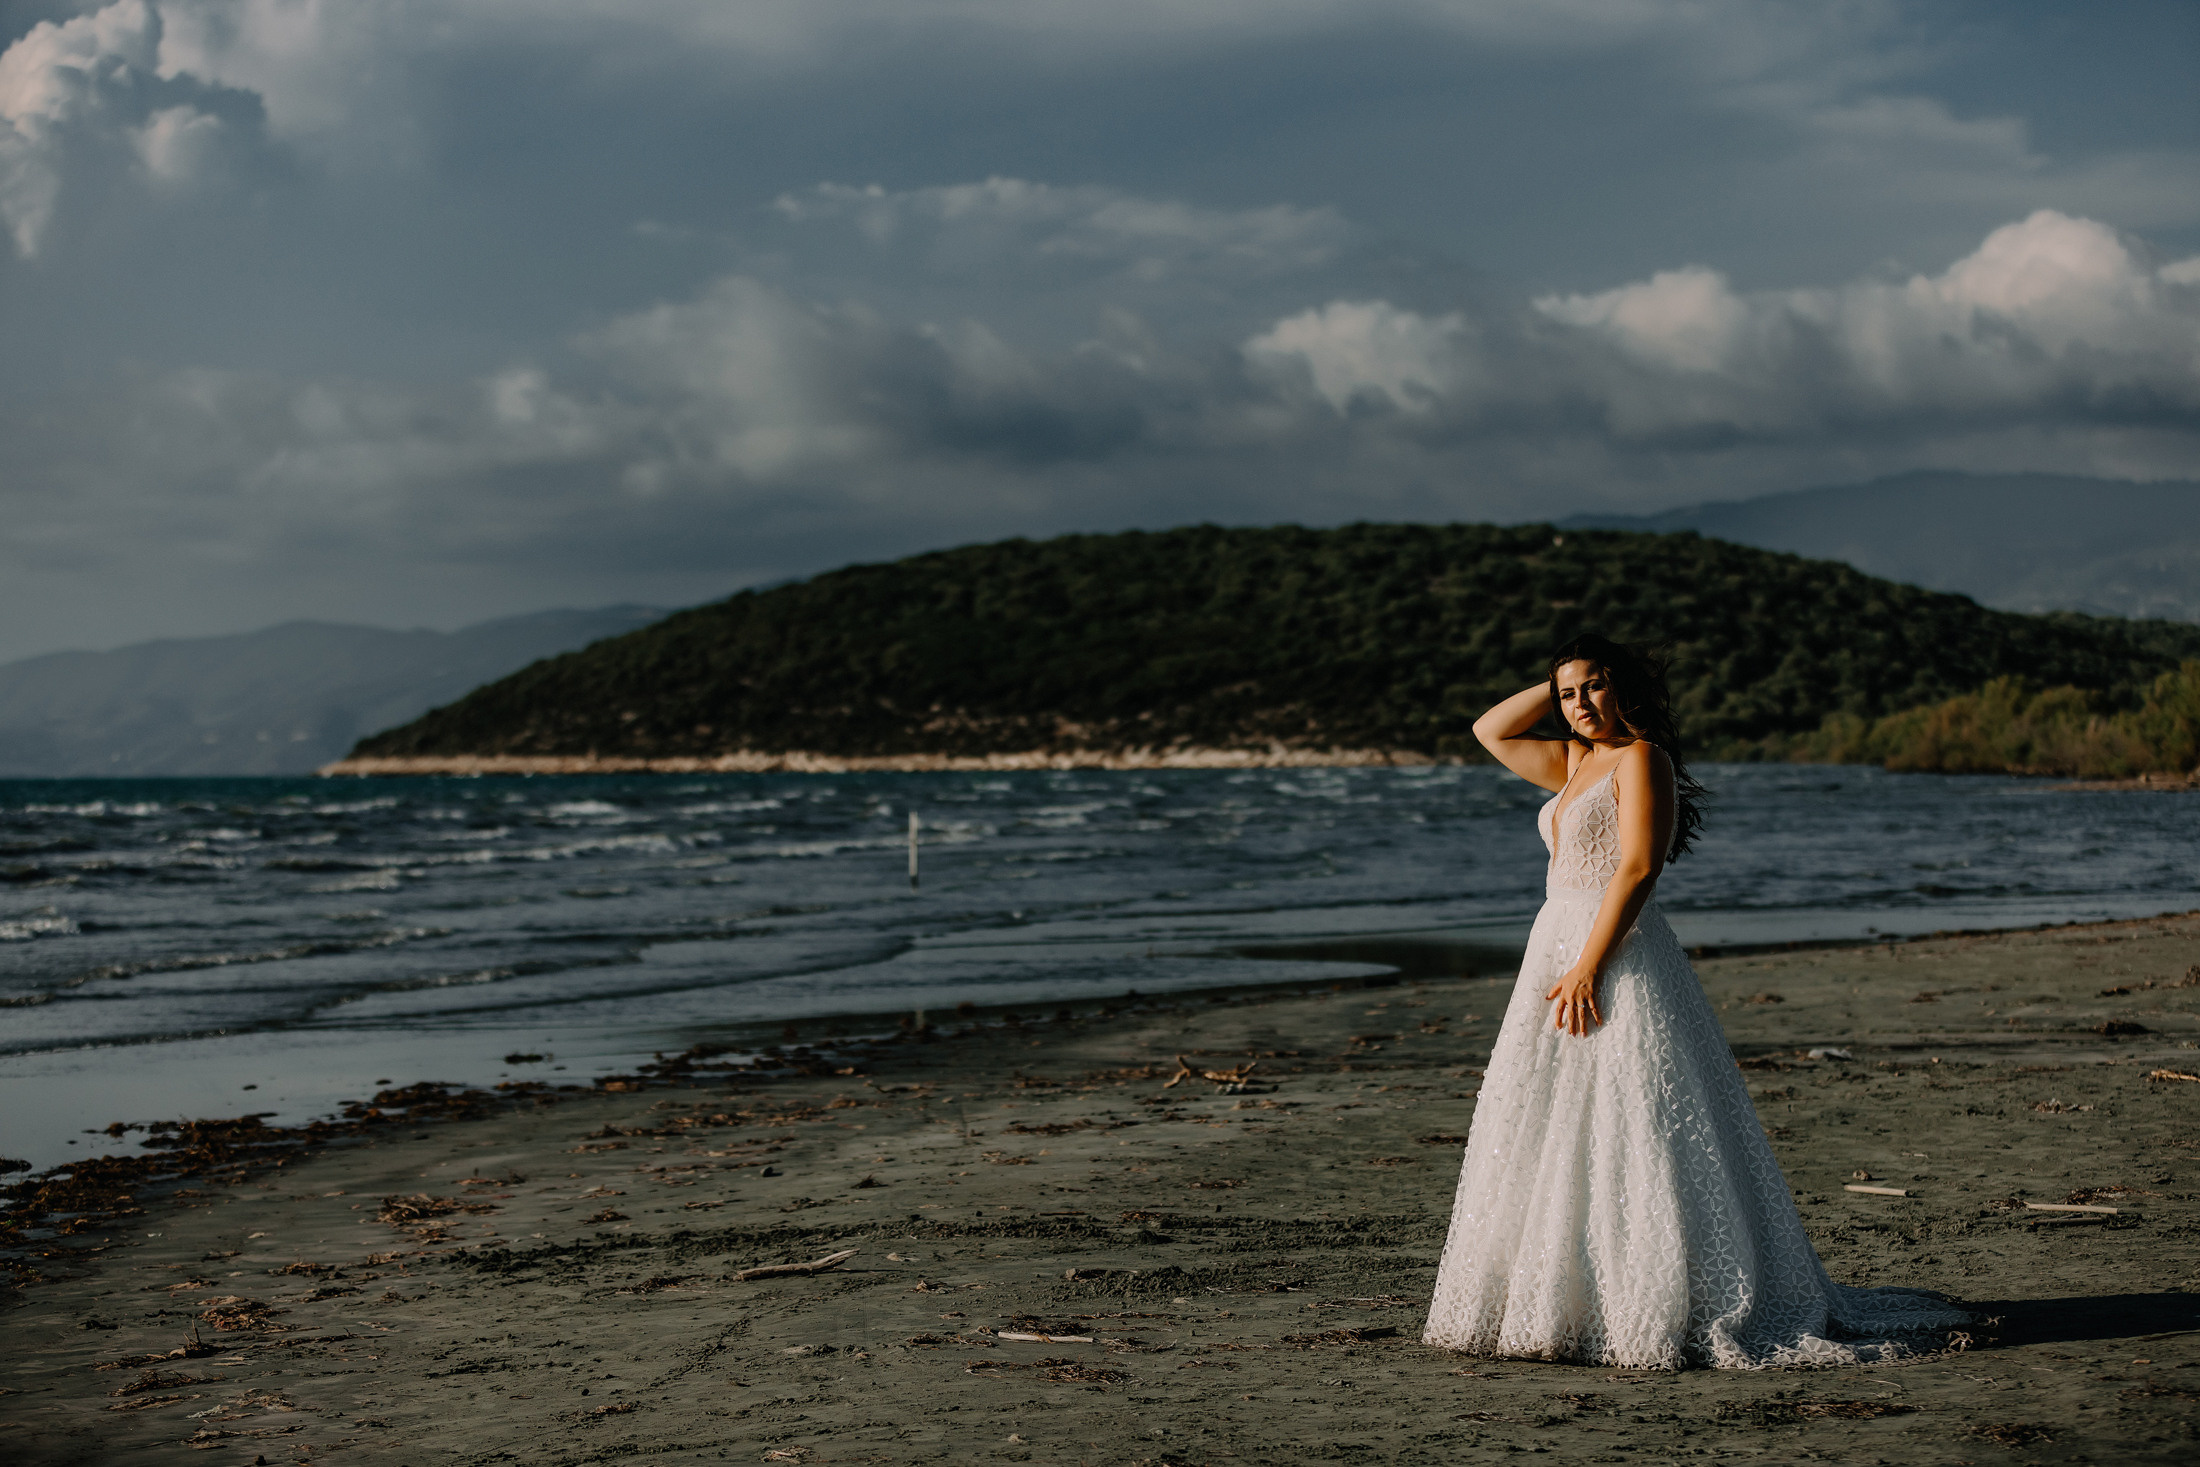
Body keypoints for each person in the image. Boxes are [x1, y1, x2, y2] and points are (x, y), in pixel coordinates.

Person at [1421, 634, 1970, 1369]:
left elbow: (1640, 866)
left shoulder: (1641, 758)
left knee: (1636, 1118)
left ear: (1626, 689)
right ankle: (1568, 1294)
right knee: (1550, 1119)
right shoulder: (1573, 760)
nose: (1579, 705)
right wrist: (1555, 681)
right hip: (1552, 945)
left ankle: (1659, 1296)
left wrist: (1590, 964)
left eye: (1594, 687)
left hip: (1613, 949)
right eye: (1568, 694)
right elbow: (1491, 728)